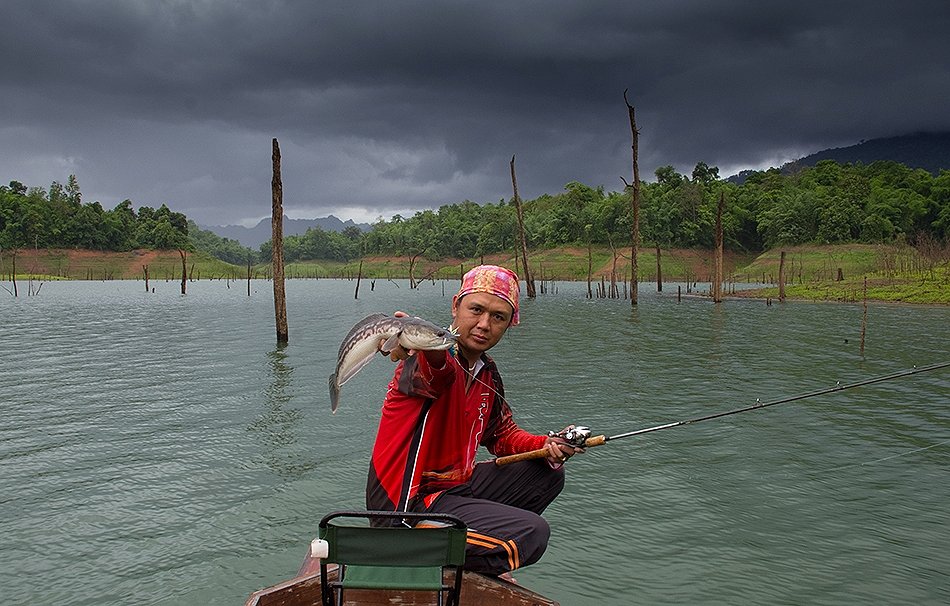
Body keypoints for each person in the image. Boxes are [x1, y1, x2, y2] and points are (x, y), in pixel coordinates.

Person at [366, 264, 583, 577]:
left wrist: (547, 444)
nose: (484, 324)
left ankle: (467, 541)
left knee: (547, 474)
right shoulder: (425, 358)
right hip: (405, 506)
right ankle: (415, 545)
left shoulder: (487, 372)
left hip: (452, 491)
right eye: (476, 310)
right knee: (532, 535)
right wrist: (419, 342)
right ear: (456, 306)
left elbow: (501, 435)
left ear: (510, 324)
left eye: (498, 317)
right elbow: (438, 372)